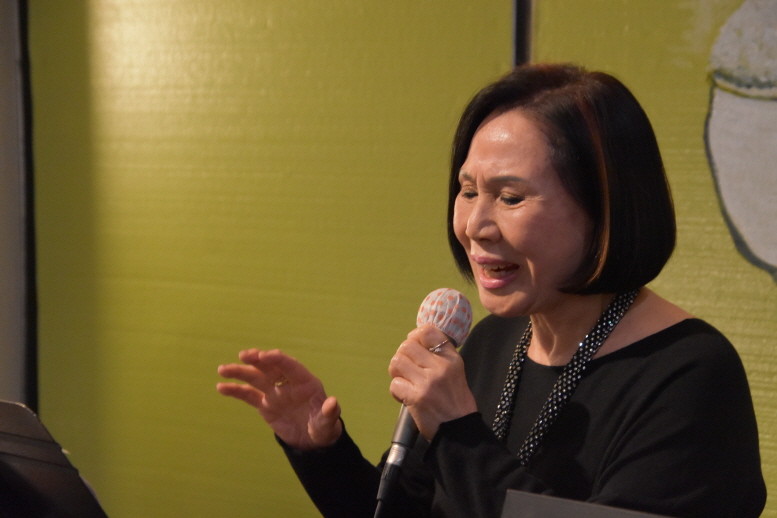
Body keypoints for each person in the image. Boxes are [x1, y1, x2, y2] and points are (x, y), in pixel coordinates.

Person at [217, 64, 766, 518]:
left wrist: (458, 433)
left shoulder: (691, 374)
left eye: (510, 197)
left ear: (604, 208)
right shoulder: (490, 342)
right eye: (468, 190)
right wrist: (322, 451)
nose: (475, 226)